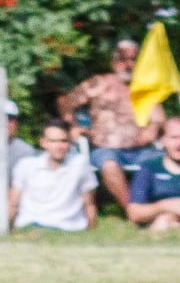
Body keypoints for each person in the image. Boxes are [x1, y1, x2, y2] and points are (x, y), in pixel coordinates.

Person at [57, 39, 164, 215]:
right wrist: (73, 126)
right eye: (122, 59)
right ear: (114, 62)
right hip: (106, 149)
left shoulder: (147, 89)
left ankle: (162, 207)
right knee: (109, 165)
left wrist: (154, 128)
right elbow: (65, 103)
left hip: (142, 150)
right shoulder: (99, 83)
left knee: (165, 161)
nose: (128, 65)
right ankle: (133, 211)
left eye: (133, 59)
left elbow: (159, 119)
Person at [10, 119, 99, 232]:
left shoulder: (80, 164)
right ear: (43, 143)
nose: (59, 146)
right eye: (53, 141)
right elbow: (13, 204)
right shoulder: (26, 166)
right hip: (31, 224)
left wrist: (91, 231)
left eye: (63, 141)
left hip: (69, 227)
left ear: (70, 142)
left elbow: (89, 204)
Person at [126, 118, 180, 233]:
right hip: (154, 225)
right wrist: (164, 205)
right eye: (174, 138)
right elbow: (134, 213)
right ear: (163, 140)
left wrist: (166, 219)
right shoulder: (149, 168)